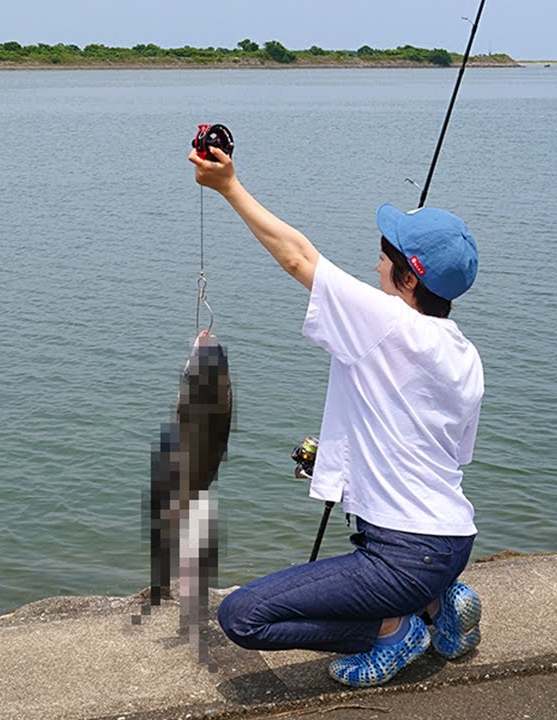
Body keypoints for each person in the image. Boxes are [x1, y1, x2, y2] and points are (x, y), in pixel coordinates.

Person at [190, 144, 484, 688]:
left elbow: (298, 257)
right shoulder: (464, 354)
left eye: (383, 254)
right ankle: (436, 602)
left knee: (242, 618)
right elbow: (441, 453)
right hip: (451, 541)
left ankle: (394, 630)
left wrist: (227, 185)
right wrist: (341, 460)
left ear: (410, 279)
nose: (375, 262)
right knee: (397, 574)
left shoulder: (387, 322)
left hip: (401, 555)